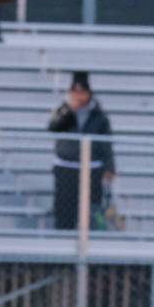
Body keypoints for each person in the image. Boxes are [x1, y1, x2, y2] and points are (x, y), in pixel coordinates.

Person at [48, 72, 115, 230]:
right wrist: (69, 110)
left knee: (92, 212)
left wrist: (110, 167)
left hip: (92, 170)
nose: (79, 96)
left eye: (82, 92)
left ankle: (92, 246)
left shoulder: (99, 115)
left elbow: (106, 143)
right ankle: (63, 245)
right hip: (66, 169)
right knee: (65, 212)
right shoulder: (63, 110)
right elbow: (53, 127)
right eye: (75, 92)